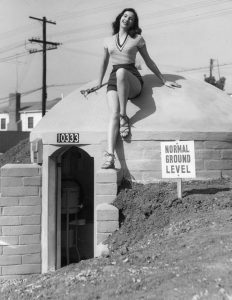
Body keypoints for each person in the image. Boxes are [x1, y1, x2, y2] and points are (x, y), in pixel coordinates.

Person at [95, 8, 180, 169]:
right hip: (114, 79)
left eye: (131, 18)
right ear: (120, 17)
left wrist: (164, 80)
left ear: (134, 23)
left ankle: (124, 116)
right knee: (112, 114)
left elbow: (148, 60)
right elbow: (104, 62)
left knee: (121, 72)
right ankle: (110, 155)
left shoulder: (137, 39)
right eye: (125, 16)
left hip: (132, 78)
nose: (127, 19)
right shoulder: (107, 40)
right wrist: (99, 83)